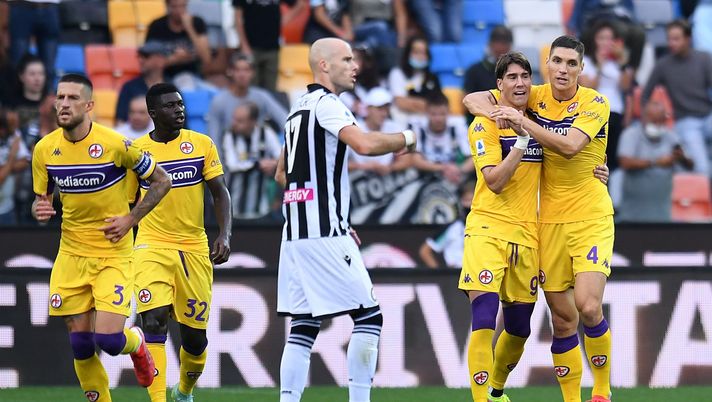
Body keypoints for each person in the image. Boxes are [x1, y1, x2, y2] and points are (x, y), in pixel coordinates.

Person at [465, 36, 614, 402]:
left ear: (582, 69)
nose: (563, 70)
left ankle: (602, 389)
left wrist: (520, 124)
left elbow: (569, 147)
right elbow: (473, 99)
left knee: (589, 305)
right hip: (545, 223)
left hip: (590, 215)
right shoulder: (533, 94)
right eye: (557, 62)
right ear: (548, 66)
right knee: (562, 319)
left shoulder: (595, 102)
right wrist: (497, 114)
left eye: (571, 64)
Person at [274, 37, 416, 402]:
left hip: (295, 234)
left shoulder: (297, 109)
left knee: (303, 325)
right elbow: (365, 145)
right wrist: (407, 138)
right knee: (369, 317)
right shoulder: (327, 104)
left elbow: (281, 174)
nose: (355, 66)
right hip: (324, 232)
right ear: (324, 65)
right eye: (347, 59)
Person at [30, 74, 172, 401]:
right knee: (80, 344)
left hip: (113, 254)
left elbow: (162, 181)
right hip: (71, 255)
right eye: (60, 97)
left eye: (72, 98)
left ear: (89, 105)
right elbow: (42, 198)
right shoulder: (45, 150)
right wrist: (40, 207)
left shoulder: (116, 145)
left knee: (108, 341)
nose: (63, 104)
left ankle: (135, 343)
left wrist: (131, 219)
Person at [128, 83, 232, 402]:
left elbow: (220, 193)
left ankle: (184, 391)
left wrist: (225, 234)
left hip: (193, 248)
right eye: (171, 106)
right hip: (151, 245)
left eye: (181, 104)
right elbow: (125, 201)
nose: (179, 110)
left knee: (195, 339)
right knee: (154, 320)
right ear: (153, 113)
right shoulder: (136, 151)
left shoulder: (201, 144)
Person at [642, 19, 712, 176]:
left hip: (708, 116)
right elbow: (645, 94)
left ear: (688, 39)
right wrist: (648, 117)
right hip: (686, 122)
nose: (671, 43)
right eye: (669, 39)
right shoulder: (663, 65)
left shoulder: (704, 58)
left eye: (676, 38)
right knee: (702, 169)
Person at [617, 100, 693, 222]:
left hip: (662, 214)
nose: (657, 124)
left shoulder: (671, 137)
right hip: (632, 215)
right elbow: (625, 162)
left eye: (660, 120)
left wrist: (682, 158)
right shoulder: (631, 134)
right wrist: (655, 162)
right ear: (644, 118)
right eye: (654, 120)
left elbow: (691, 165)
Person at [578, 20, 634, 172]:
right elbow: (587, 86)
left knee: (612, 160)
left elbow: (626, 87)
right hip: (594, 112)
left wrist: (623, 63)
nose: (606, 42)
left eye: (610, 38)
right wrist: (599, 65)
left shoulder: (618, 63)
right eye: (601, 38)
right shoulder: (586, 61)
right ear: (594, 40)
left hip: (615, 113)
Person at [207, 53, 288, 153]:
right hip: (231, 158)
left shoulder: (262, 96)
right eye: (238, 70)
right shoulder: (219, 101)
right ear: (230, 72)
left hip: (261, 157)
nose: (242, 75)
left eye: (246, 70)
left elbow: (285, 121)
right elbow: (213, 137)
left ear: (252, 73)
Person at [222, 102, 281, 220]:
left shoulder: (266, 133)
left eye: (240, 121)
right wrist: (259, 164)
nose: (234, 123)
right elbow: (233, 165)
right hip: (234, 209)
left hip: (260, 209)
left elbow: (281, 157)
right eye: (234, 119)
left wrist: (274, 164)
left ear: (253, 122)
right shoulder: (229, 136)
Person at [233, 0, 307, 92]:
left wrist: (280, 22)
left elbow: (300, 4)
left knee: (271, 91)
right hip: (251, 47)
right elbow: (237, 18)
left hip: (272, 48)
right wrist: (244, 45)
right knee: (251, 89)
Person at [145, 0, 212, 90]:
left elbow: (206, 58)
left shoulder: (197, 23)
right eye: (175, 7)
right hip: (165, 77)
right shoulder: (157, 26)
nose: (179, 11)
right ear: (167, 6)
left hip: (194, 75)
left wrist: (190, 28)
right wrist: (173, 60)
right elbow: (148, 62)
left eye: (183, 6)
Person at [407, 92, 472, 184]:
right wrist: (444, 169)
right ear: (426, 113)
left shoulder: (458, 124)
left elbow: (473, 159)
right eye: (433, 114)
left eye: (442, 114)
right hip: (424, 179)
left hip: (455, 178)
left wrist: (459, 170)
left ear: (449, 112)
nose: (438, 119)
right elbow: (415, 161)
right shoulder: (417, 126)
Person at [348, 87, 409, 175]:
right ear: (368, 109)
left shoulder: (395, 128)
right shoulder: (353, 129)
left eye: (386, 109)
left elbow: (407, 158)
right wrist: (366, 167)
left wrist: (390, 168)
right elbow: (339, 163)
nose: (384, 113)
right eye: (379, 109)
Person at [463, 25, 513, 125]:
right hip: (480, 123)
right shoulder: (474, 70)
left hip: (510, 122)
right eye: (497, 43)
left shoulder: (515, 72)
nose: (501, 48)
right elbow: (466, 102)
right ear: (490, 44)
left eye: (504, 43)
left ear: (510, 46)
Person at [419, 179, 473, 269]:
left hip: (477, 274)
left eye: (472, 200)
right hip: (455, 274)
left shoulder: (487, 226)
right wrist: (440, 274)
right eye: (466, 200)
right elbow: (425, 251)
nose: (470, 204)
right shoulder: (452, 228)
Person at [387, 36, 441, 124]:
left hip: (426, 124)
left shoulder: (432, 78)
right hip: (400, 121)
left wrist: (412, 102)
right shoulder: (397, 73)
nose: (420, 56)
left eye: (424, 53)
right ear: (408, 53)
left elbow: (437, 106)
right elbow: (400, 103)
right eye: (416, 52)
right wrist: (425, 105)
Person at [7, 0, 60, 90]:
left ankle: (47, 99)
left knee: (49, 67)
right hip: (20, 6)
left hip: (50, 7)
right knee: (18, 64)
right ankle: (17, 100)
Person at [115, 42, 168, 126]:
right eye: (139, 56)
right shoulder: (129, 87)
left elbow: (181, 123)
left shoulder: (171, 89)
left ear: (160, 60)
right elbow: (120, 122)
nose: (141, 60)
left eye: (146, 56)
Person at [0, 108, 30, 225]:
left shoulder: (12, 136)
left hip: (8, 208)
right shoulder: (13, 145)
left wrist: (5, 168)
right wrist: (12, 156)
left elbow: (24, 162)